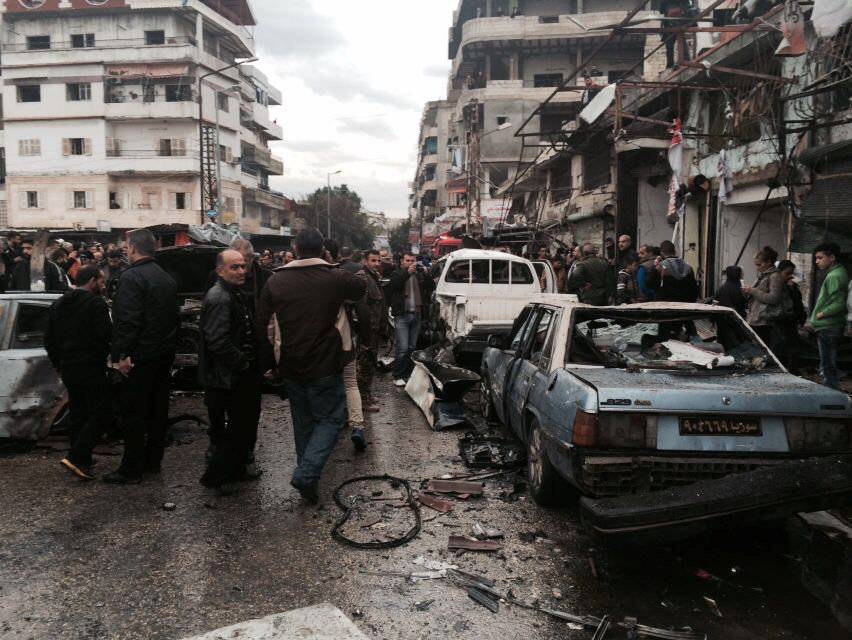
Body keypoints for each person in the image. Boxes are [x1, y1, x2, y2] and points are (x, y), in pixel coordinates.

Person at [256, 228, 366, 504]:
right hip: (326, 363)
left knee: (303, 422)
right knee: (332, 418)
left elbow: (262, 323)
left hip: (290, 364)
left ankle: (309, 478)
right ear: (323, 251)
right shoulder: (335, 277)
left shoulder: (275, 281)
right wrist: (332, 263)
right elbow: (360, 286)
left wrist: (268, 363)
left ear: (294, 247)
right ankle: (306, 473)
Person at [104, 229, 178, 484]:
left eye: (127, 246)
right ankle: (152, 461)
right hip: (163, 355)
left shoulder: (131, 278)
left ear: (133, 248)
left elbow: (127, 320)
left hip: (140, 357)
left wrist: (123, 354)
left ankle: (131, 468)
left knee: (133, 413)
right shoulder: (166, 278)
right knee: (158, 411)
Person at [198, 250, 263, 488]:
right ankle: (218, 477)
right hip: (228, 377)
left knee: (242, 426)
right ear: (220, 270)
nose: (241, 271)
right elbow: (217, 341)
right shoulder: (219, 297)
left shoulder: (233, 293)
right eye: (235, 267)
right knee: (237, 429)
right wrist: (243, 364)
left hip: (235, 375)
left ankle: (231, 472)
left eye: (243, 266)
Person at [45, 266, 112, 481]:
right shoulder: (95, 304)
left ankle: (82, 461)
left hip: (68, 367)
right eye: (101, 282)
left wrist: (59, 363)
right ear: (92, 281)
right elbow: (104, 336)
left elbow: (49, 339)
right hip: (91, 366)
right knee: (103, 412)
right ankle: (76, 456)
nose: (103, 286)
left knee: (79, 412)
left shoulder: (58, 304)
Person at [806, 243, 849, 389]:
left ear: (832, 258)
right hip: (828, 325)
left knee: (827, 365)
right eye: (816, 258)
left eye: (820, 258)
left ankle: (831, 393)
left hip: (829, 325)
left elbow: (839, 303)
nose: (817, 261)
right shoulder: (837, 273)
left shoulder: (835, 275)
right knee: (828, 363)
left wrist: (820, 314)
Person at [354, 250, 387, 443]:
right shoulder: (362, 278)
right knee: (363, 365)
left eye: (378, 261)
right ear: (365, 261)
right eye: (373, 260)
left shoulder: (375, 277)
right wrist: (365, 333)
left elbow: (379, 305)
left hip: (374, 329)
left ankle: (366, 394)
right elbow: (362, 308)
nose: (376, 263)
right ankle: (362, 400)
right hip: (366, 331)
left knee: (370, 364)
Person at [388, 253, 434, 385]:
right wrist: (407, 273)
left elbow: (431, 287)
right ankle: (398, 375)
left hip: (417, 314)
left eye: (412, 260)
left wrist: (426, 273)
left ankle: (407, 374)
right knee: (402, 347)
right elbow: (395, 285)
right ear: (402, 261)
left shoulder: (419, 275)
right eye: (407, 260)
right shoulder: (397, 273)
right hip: (402, 315)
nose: (410, 263)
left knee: (411, 347)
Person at [743, 246, 784, 346]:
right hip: (755, 318)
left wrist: (753, 291)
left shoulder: (775, 276)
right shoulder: (764, 275)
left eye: (759, 265)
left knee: (761, 349)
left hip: (764, 320)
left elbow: (774, 298)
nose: (757, 268)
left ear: (769, 262)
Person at [773, 260, 806, 373]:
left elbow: (798, 305)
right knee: (780, 348)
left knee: (793, 348)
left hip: (790, 322)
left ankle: (792, 371)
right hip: (779, 322)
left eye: (791, 273)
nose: (790, 276)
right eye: (787, 273)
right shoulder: (776, 287)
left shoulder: (792, 287)